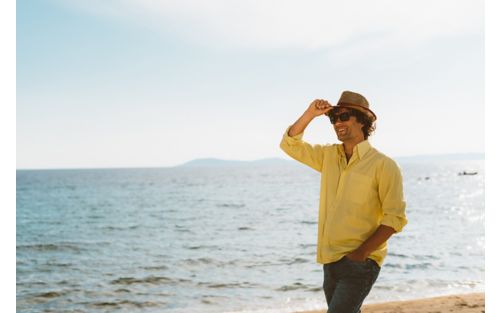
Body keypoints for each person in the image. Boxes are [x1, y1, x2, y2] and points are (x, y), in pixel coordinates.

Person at [279, 91, 407, 313]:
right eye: (334, 118)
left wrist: (360, 254)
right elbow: (290, 144)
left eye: (344, 116)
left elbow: (394, 218)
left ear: (363, 121)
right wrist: (310, 114)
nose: (337, 122)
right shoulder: (328, 157)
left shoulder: (384, 165)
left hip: (360, 262)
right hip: (330, 261)